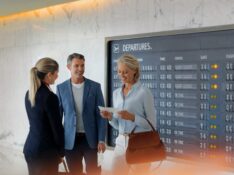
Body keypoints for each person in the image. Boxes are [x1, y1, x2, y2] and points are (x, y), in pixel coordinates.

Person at [100, 54, 156, 175]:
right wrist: (109, 117)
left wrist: (132, 117)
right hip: (120, 142)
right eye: (119, 72)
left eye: (125, 72)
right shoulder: (116, 93)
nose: (121, 75)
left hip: (140, 143)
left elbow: (152, 124)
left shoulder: (144, 92)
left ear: (135, 71)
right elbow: (117, 124)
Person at [56, 53, 107, 175]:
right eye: (76, 66)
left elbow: (101, 116)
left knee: (94, 172)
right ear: (69, 67)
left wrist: (101, 140)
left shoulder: (95, 87)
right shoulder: (61, 88)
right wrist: (58, 144)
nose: (80, 69)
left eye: (82, 65)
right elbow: (57, 119)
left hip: (91, 140)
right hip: (70, 142)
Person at [23, 57, 64, 175]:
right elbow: (56, 128)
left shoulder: (29, 93)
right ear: (49, 74)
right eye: (56, 73)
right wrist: (61, 153)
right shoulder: (50, 97)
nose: (58, 75)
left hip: (30, 149)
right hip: (46, 153)